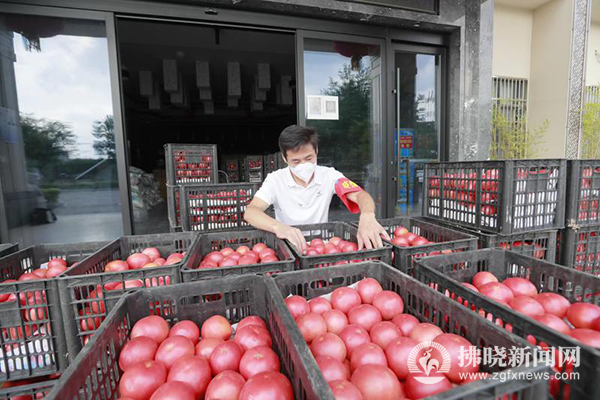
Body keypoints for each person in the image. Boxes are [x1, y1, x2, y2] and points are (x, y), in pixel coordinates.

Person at [244, 125, 390, 253]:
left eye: (309, 158)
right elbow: (251, 212)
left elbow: (360, 195)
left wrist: (367, 215)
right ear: (284, 158)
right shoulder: (275, 180)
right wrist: (279, 228)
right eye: (295, 161)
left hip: (321, 247)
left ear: (316, 151)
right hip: (289, 248)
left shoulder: (329, 176)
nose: (303, 165)